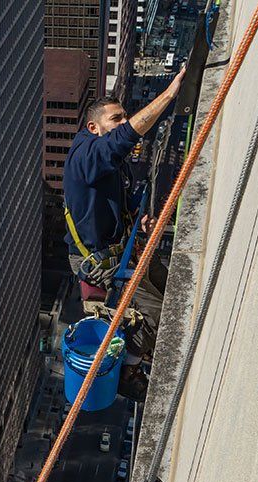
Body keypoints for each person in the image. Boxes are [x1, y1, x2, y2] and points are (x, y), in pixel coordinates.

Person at [63, 67, 186, 401]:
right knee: (159, 312)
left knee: (169, 284)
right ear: (94, 127)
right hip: (100, 263)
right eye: (115, 119)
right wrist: (170, 95)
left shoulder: (106, 163)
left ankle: (142, 354)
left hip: (119, 248)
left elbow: (116, 199)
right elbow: (120, 141)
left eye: (122, 117)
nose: (122, 122)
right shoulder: (84, 157)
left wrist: (137, 220)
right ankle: (129, 369)